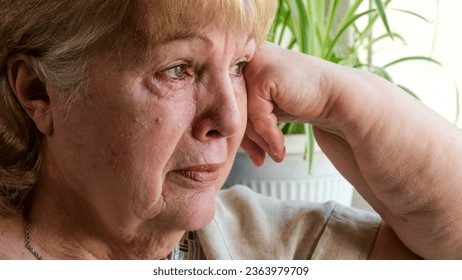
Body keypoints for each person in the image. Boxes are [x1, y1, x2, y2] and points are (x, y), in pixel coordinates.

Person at [0, 0, 459, 260]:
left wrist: (338, 96)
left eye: (240, 64)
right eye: (178, 69)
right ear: (38, 91)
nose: (231, 118)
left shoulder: (261, 247)